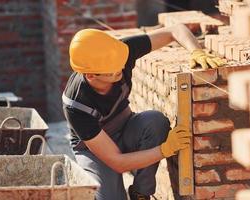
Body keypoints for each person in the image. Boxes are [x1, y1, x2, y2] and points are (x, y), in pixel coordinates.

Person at [62, 24, 225, 200]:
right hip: (95, 151)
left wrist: (196, 51)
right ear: (91, 75)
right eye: (113, 70)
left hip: (125, 129)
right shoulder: (75, 105)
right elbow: (117, 162)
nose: (120, 69)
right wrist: (165, 149)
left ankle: (140, 192)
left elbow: (173, 30)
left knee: (155, 122)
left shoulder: (119, 53)